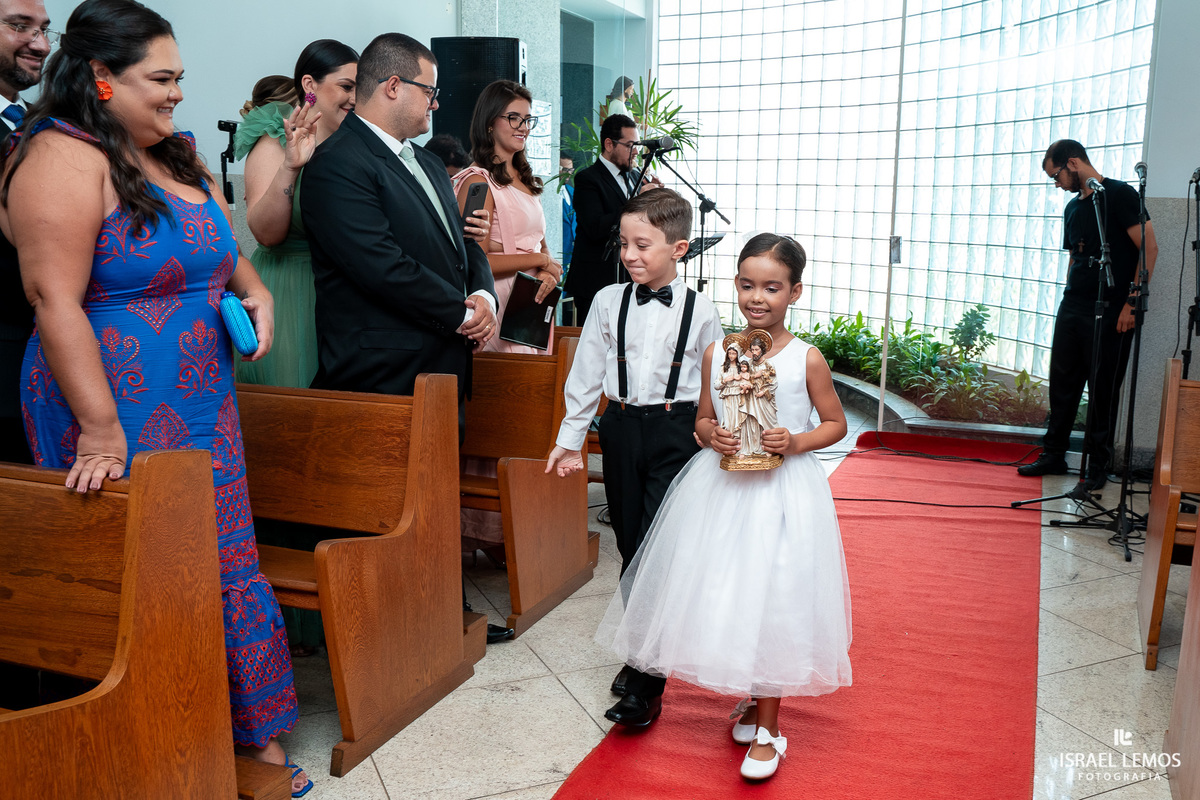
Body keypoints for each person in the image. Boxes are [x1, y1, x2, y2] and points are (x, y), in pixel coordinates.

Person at [0, 0, 311, 794]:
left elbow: (226, 254)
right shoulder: (59, 159)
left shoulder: (175, 154)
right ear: (101, 79)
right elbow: (54, 300)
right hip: (112, 406)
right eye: (160, 79)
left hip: (205, 402)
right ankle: (163, 744)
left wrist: (257, 295)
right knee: (149, 574)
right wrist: (101, 432)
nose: (176, 94)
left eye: (179, 78)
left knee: (223, 555)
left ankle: (253, 741)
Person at [595, 232, 852, 780]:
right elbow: (701, 420)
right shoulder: (719, 352)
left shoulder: (806, 359)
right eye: (747, 285)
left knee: (775, 597)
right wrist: (713, 435)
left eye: (772, 287)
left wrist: (796, 441)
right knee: (731, 593)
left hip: (782, 495)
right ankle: (753, 700)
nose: (758, 298)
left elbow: (836, 423)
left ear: (795, 291)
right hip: (723, 490)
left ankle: (770, 728)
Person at [299, 34, 511, 645]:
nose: (434, 106)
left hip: (440, 360)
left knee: (433, 501)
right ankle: (390, 636)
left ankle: (436, 618)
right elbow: (379, 265)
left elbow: (462, 244)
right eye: (429, 91)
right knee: (389, 509)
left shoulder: (420, 160)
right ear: (393, 86)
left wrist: (482, 297)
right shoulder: (339, 164)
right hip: (381, 367)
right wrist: (457, 311)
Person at [545, 188, 724, 728]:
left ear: (679, 248)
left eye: (642, 245)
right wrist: (570, 439)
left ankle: (646, 683)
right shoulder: (606, 301)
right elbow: (585, 377)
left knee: (655, 547)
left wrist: (718, 436)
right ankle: (640, 651)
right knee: (628, 541)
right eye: (624, 244)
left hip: (678, 430)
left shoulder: (700, 309)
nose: (629, 255)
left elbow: (715, 383)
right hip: (621, 427)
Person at [452, 79, 562, 554]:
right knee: (500, 420)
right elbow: (472, 261)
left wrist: (550, 267)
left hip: (531, 306)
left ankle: (522, 528)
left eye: (527, 118)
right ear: (490, 121)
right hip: (495, 308)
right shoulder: (477, 180)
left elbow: (534, 246)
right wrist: (533, 261)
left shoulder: (525, 179)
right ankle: (485, 532)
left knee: (529, 419)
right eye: (512, 118)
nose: (522, 127)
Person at [1019, 140, 1158, 490]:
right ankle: (1053, 454)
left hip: (1113, 309)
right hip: (1074, 306)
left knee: (1103, 389)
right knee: (1063, 384)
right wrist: (1069, 296)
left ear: (1074, 163)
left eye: (1056, 175)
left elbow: (1149, 247)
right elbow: (1074, 258)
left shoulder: (1119, 195)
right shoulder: (1072, 208)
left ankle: (1098, 465)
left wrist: (1132, 302)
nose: (1056, 183)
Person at [235, 39, 358, 390]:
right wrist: (291, 166)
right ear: (310, 86)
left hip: (342, 291)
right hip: (292, 287)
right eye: (346, 86)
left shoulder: (351, 144)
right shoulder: (275, 139)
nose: (354, 97)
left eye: (359, 89)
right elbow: (265, 233)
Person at [0, 0, 51, 465]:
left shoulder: (46, 127)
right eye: (20, 27)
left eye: (43, 29)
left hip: (42, 363)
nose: (41, 44)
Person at [563, 113, 662, 326]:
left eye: (637, 145)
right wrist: (637, 199)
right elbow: (595, 227)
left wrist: (655, 199)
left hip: (630, 279)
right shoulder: (587, 178)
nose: (636, 151)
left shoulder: (636, 175)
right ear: (609, 144)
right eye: (630, 145)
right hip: (596, 281)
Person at [559, 153, 575, 271]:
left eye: (571, 170)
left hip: (572, 251)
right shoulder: (547, 194)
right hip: (557, 249)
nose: (568, 173)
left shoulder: (573, 191)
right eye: (565, 169)